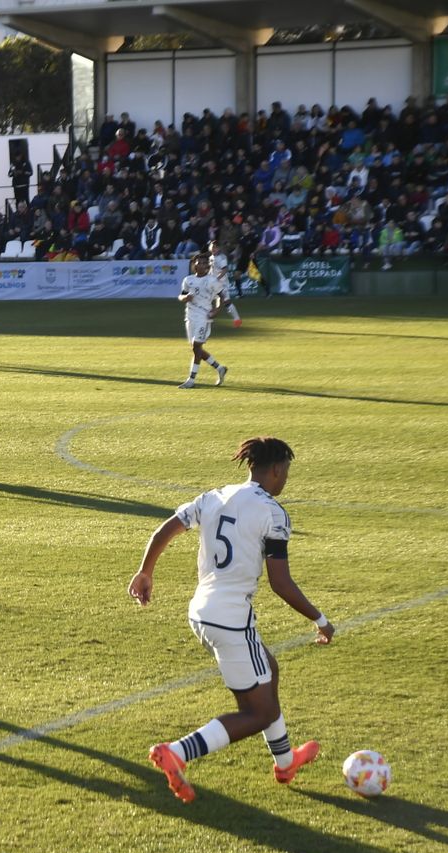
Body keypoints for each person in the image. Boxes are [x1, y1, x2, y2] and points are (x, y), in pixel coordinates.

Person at [127, 436, 333, 803]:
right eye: (286, 472)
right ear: (276, 470)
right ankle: (178, 751)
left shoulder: (213, 496)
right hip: (231, 621)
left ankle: (286, 761)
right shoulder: (273, 513)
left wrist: (146, 572)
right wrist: (320, 619)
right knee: (258, 712)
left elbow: (165, 530)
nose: (285, 479)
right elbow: (280, 583)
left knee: (268, 665)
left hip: (201, 612)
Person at [176, 253, 228, 388]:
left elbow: (222, 296)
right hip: (190, 317)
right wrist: (185, 298)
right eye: (199, 263)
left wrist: (217, 310)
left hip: (204, 317)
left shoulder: (212, 281)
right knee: (196, 348)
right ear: (195, 265)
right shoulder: (188, 280)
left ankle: (191, 379)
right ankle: (219, 368)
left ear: (208, 266)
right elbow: (181, 296)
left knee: (196, 346)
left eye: (205, 263)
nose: (202, 265)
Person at [207, 239, 242, 326]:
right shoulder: (211, 257)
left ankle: (237, 320)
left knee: (226, 302)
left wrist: (217, 278)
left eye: (215, 247)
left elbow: (225, 269)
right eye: (212, 247)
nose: (214, 248)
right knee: (207, 300)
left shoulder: (222, 257)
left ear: (219, 248)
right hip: (212, 283)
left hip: (221, 284)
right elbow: (212, 270)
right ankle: (209, 318)